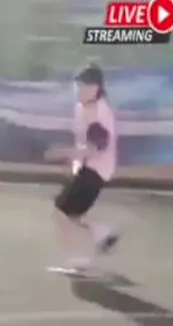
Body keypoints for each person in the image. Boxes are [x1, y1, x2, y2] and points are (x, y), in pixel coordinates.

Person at [46, 64, 119, 275]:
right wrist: (74, 163)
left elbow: (96, 148)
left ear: (96, 88)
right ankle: (102, 234)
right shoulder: (82, 108)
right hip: (88, 169)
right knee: (71, 215)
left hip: (96, 170)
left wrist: (65, 153)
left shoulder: (99, 112)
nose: (79, 90)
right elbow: (83, 143)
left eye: (84, 86)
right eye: (77, 86)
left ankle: (79, 260)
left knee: (62, 213)